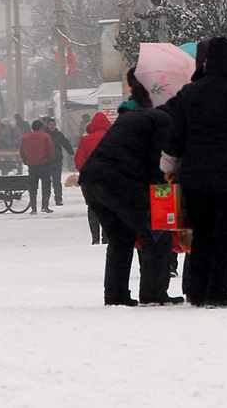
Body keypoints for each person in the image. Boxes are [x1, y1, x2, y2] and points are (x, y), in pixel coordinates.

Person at [160, 37, 227, 308]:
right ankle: (218, 292)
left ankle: (196, 291)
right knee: (226, 235)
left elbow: (175, 135)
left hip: (195, 177)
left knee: (200, 234)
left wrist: (168, 168)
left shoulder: (189, 93)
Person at [79, 69, 182, 306]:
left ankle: (115, 295)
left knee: (120, 237)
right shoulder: (163, 122)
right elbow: (157, 164)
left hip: (92, 180)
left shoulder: (135, 117)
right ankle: (153, 294)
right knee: (156, 233)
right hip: (119, 182)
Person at [74, 112, 111, 245]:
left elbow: (78, 160)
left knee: (92, 207)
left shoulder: (85, 140)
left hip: (89, 180)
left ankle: (95, 238)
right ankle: (106, 238)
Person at [20, 120, 55, 214]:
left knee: (32, 188)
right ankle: (45, 206)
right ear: (41, 127)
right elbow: (50, 150)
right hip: (44, 165)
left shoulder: (25, 137)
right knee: (46, 186)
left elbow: (22, 151)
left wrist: (26, 161)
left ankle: (34, 208)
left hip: (32, 166)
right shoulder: (46, 136)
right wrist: (49, 160)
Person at [45, 117, 74, 207]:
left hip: (57, 161)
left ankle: (58, 199)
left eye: (53, 125)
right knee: (46, 182)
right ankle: (46, 200)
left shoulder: (59, 134)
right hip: (46, 161)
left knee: (56, 181)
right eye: (50, 125)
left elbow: (65, 143)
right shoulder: (44, 135)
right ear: (47, 125)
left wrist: (71, 153)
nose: (52, 126)